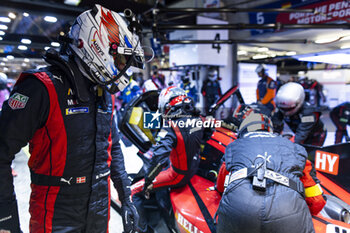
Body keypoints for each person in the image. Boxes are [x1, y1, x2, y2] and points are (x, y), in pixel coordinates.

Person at [0, 5, 144, 233]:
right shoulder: (40, 87)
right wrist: (5, 219)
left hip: (99, 207)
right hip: (56, 211)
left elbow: (112, 147)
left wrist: (126, 198)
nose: (121, 68)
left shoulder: (103, 90)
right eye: (119, 59)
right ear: (97, 46)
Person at [215, 112, 326, 233]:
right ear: (271, 130)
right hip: (288, 213)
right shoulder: (295, 149)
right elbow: (316, 200)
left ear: (242, 131)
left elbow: (221, 187)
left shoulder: (234, 147)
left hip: (239, 212)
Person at [130, 86, 205, 232]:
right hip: (193, 168)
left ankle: (142, 230)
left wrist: (148, 181)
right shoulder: (198, 119)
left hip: (177, 175)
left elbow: (158, 158)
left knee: (133, 191)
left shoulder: (171, 126)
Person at [273, 82, 327, 146]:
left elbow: (301, 135)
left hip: (315, 135)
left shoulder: (309, 113)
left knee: (308, 152)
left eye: (289, 108)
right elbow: (275, 125)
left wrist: (288, 144)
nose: (285, 112)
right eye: (283, 108)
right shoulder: (281, 109)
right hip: (299, 131)